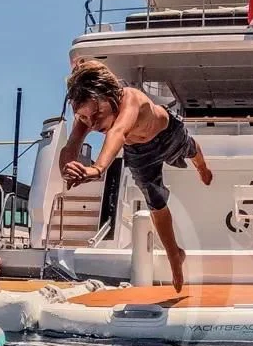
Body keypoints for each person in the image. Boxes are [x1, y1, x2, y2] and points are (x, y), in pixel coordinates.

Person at [59, 60, 213, 292]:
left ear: (112, 95)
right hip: (140, 152)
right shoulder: (86, 114)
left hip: (167, 134)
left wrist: (98, 168)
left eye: (98, 114)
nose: (92, 123)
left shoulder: (129, 98)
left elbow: (118, 132)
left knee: (191, 149)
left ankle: (201, 167)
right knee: (155, 202)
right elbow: (69, 148)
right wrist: (67, 168)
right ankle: (175, 255)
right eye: (84, 118)